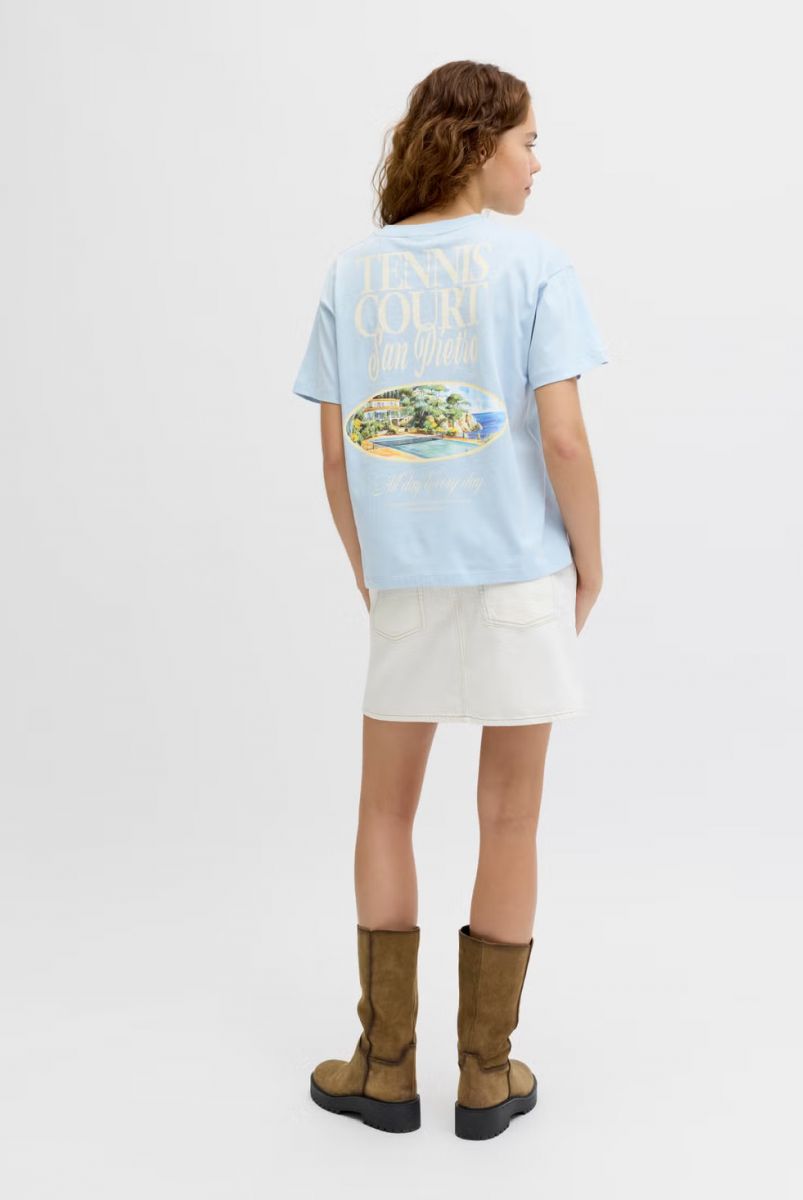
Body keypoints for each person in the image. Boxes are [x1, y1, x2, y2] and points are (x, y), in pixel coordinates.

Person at [291, 60, 610, 1139]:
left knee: (385, 811)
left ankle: (384, 1069)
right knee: (509, 816)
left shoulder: (353, 272)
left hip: (408, 581)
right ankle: (487, 1074)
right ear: (478, 145)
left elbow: (335, 458)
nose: (538, 164)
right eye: (528, 141)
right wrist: (591, 563)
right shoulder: (536, 266)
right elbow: (564, 441)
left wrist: (368, 564)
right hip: (520, 576)